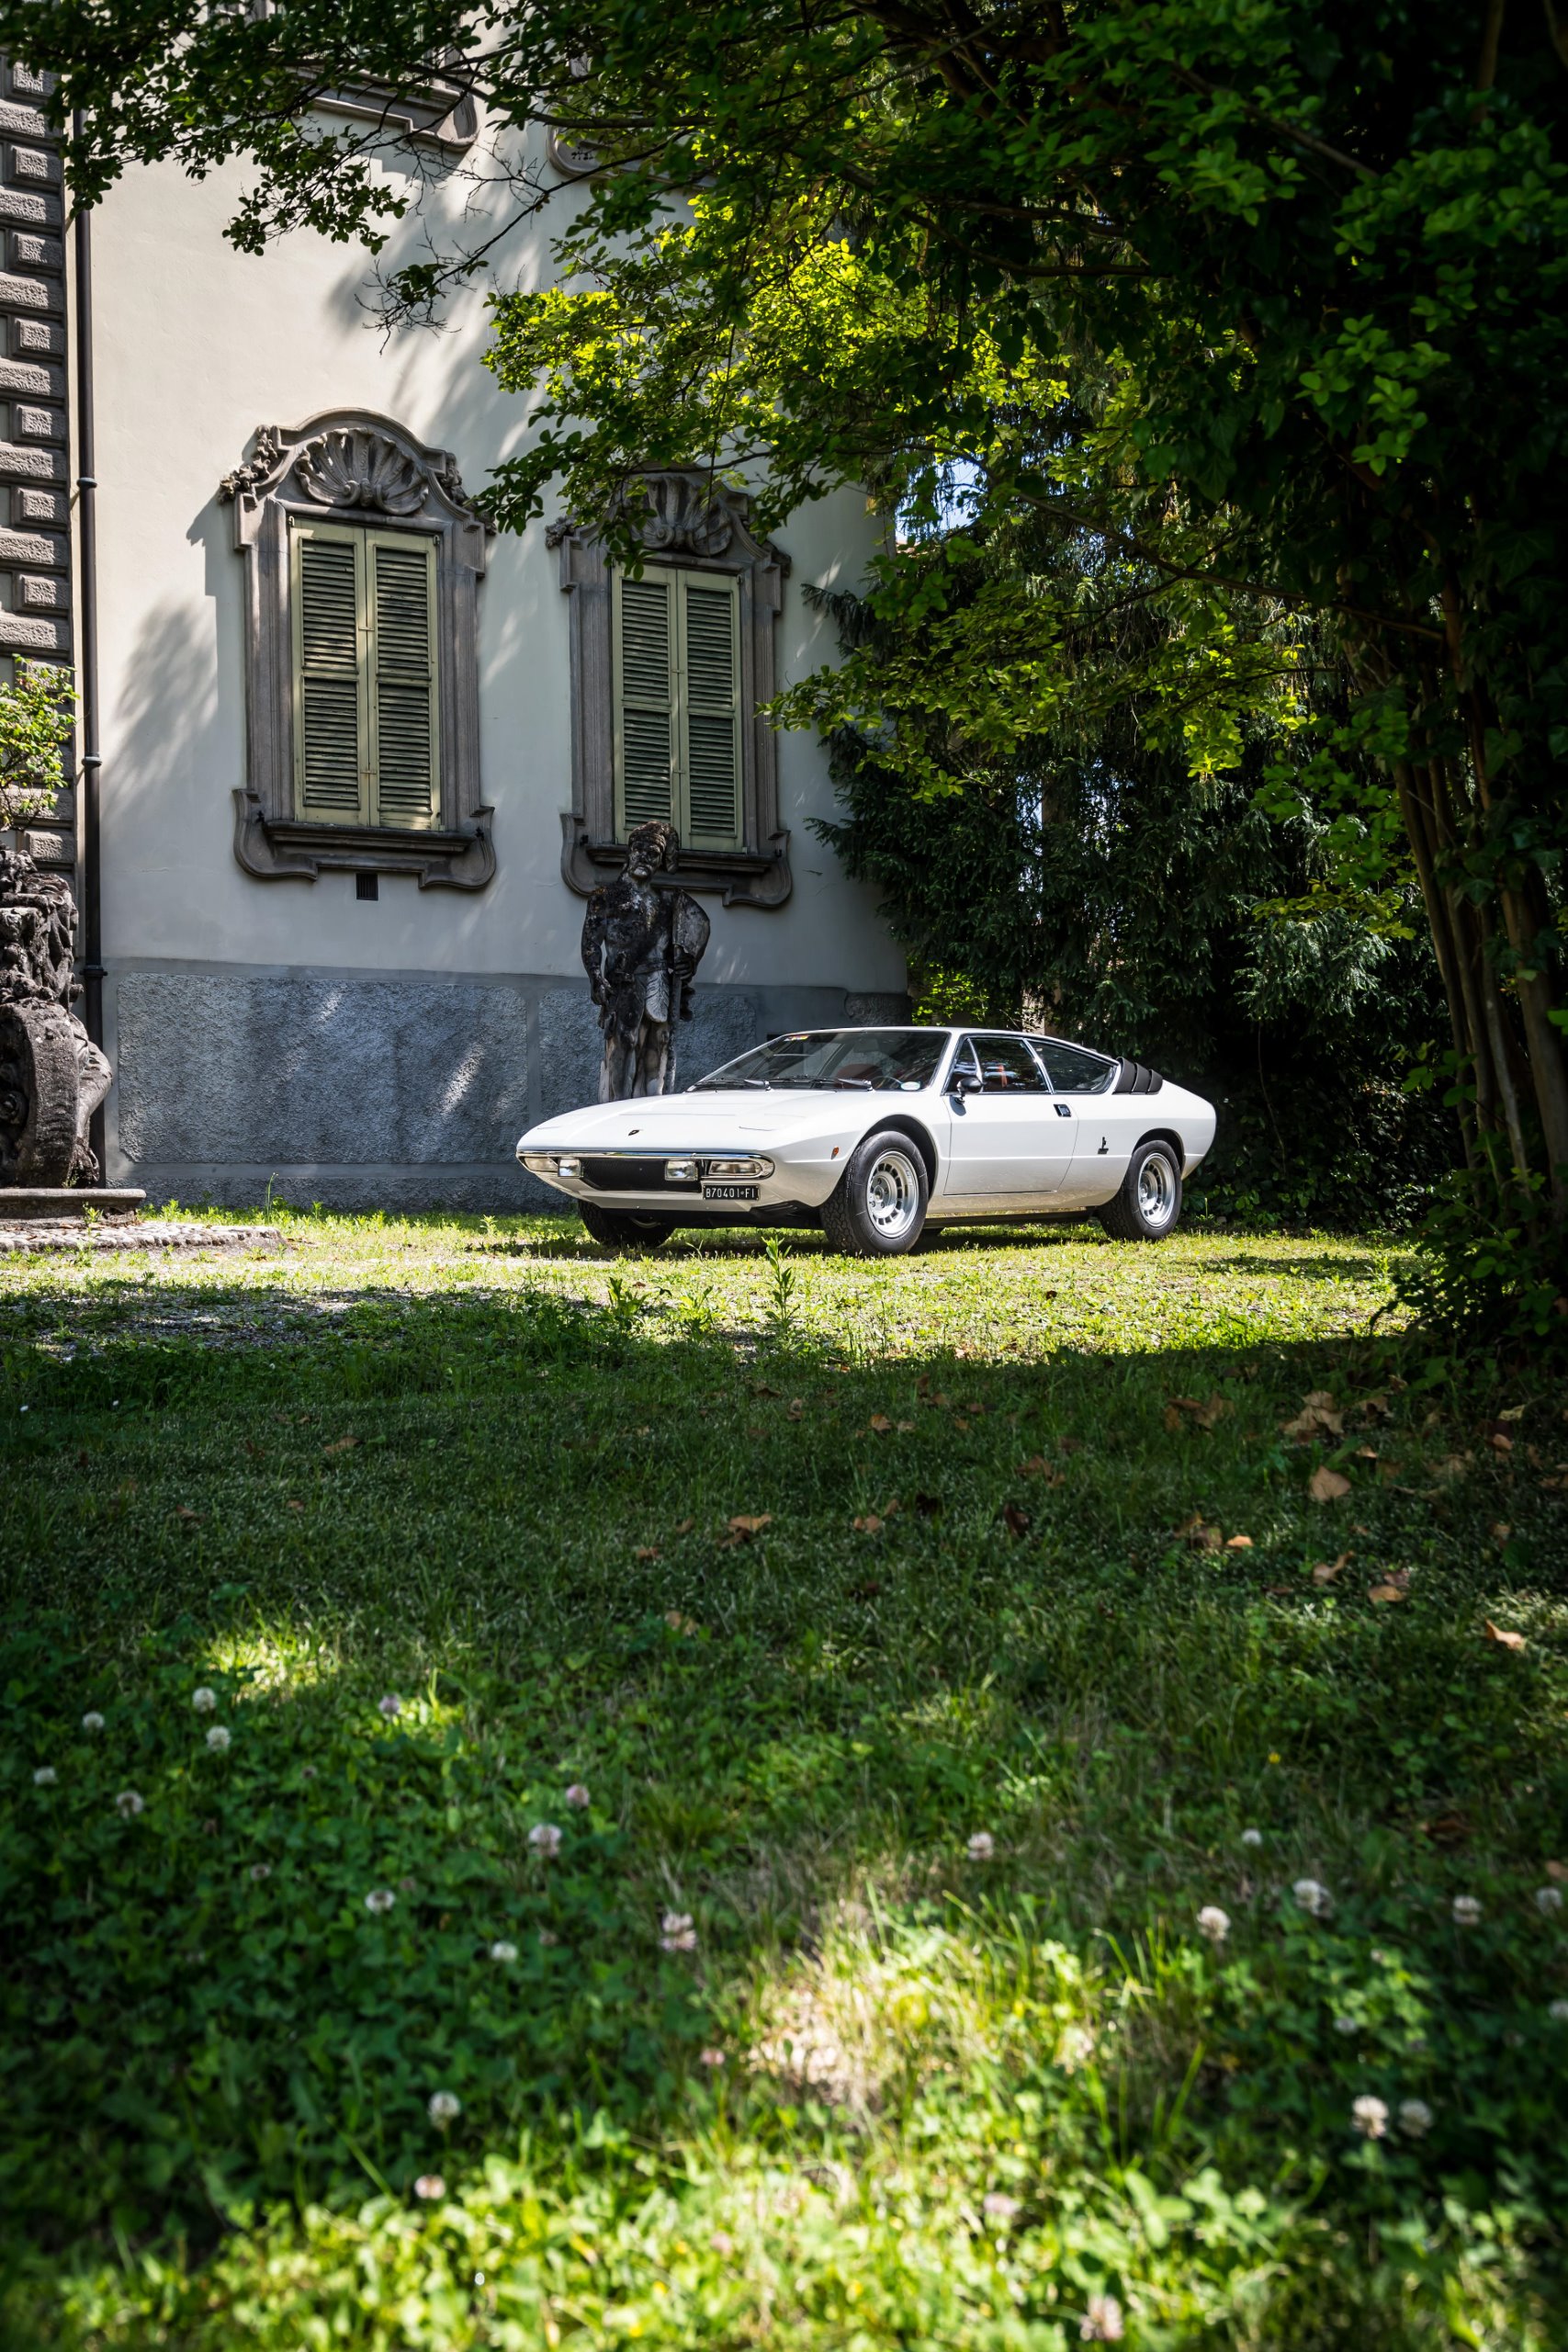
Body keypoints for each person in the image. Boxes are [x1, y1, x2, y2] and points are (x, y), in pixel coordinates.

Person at [580, 820, 710, 1099]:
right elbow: (591, 943)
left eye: (653, 854)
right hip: (625, 982)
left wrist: (688, 961)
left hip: (659, 982)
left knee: (659, 1045)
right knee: (625, 1042)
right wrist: (596, 977)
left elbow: (693, 930)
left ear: (660, 860)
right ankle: (617, 1106)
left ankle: (653, 1108)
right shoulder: (606, 897)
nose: (644, 858)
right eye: (639, 850)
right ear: (630, 852)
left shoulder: (668, 902)